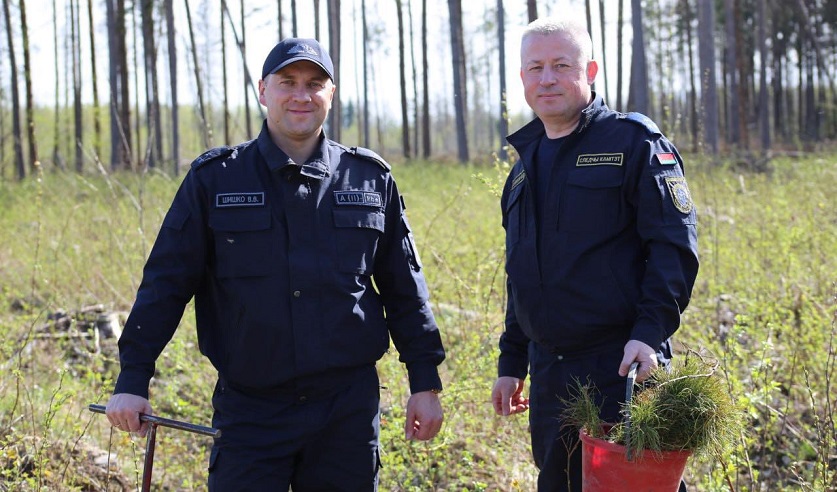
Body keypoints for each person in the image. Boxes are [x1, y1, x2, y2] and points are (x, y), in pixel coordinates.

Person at [105, 37, 446, 491]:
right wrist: (132, 379)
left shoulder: (369, 178)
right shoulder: (216, 179)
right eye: (288, 82)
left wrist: (424, 382)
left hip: (345, 415)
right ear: (264, 91)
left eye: (314, 84)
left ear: (331, 94)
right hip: (250, 413)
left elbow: (405, 289)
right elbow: (165, 285)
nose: (301, 95)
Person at [490, 17, 698, 492]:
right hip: (550, 377)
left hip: (622, 368)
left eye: (561, 65)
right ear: (522, 77)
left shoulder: (633, 144)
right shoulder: (522, 170)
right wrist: (512, 362)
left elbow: (673, 249)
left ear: (590, 70)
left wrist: (649, 334)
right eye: (535, 67)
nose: (547, 78)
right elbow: (523, 274)